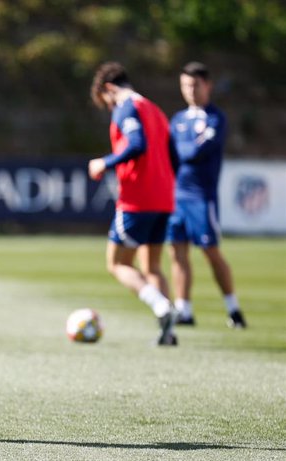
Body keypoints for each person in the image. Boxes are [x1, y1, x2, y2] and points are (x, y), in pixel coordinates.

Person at [87, 62, 178, 346]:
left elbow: (137, 144)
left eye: (106, 102)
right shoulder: (156, 109)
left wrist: (105, 161)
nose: (109, 107)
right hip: (164, 197)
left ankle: (162, 307)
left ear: (109, 89)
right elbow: (173, 153)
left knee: (117, 264)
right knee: (151, 266)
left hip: (138, 199)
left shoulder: (126, 107)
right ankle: (168, 332)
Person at [167, 61, 247, 328]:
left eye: (195, 85)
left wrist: (183, 148)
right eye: (185, 85)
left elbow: (193, 153)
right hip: (175, 196)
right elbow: (172, 156)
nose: (190, 90)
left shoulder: (215, 117)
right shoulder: (178, 120)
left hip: (201, 196)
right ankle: (184, 310)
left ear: (207, 85)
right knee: (176, 252)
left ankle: (233, 309)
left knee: (210, 251)